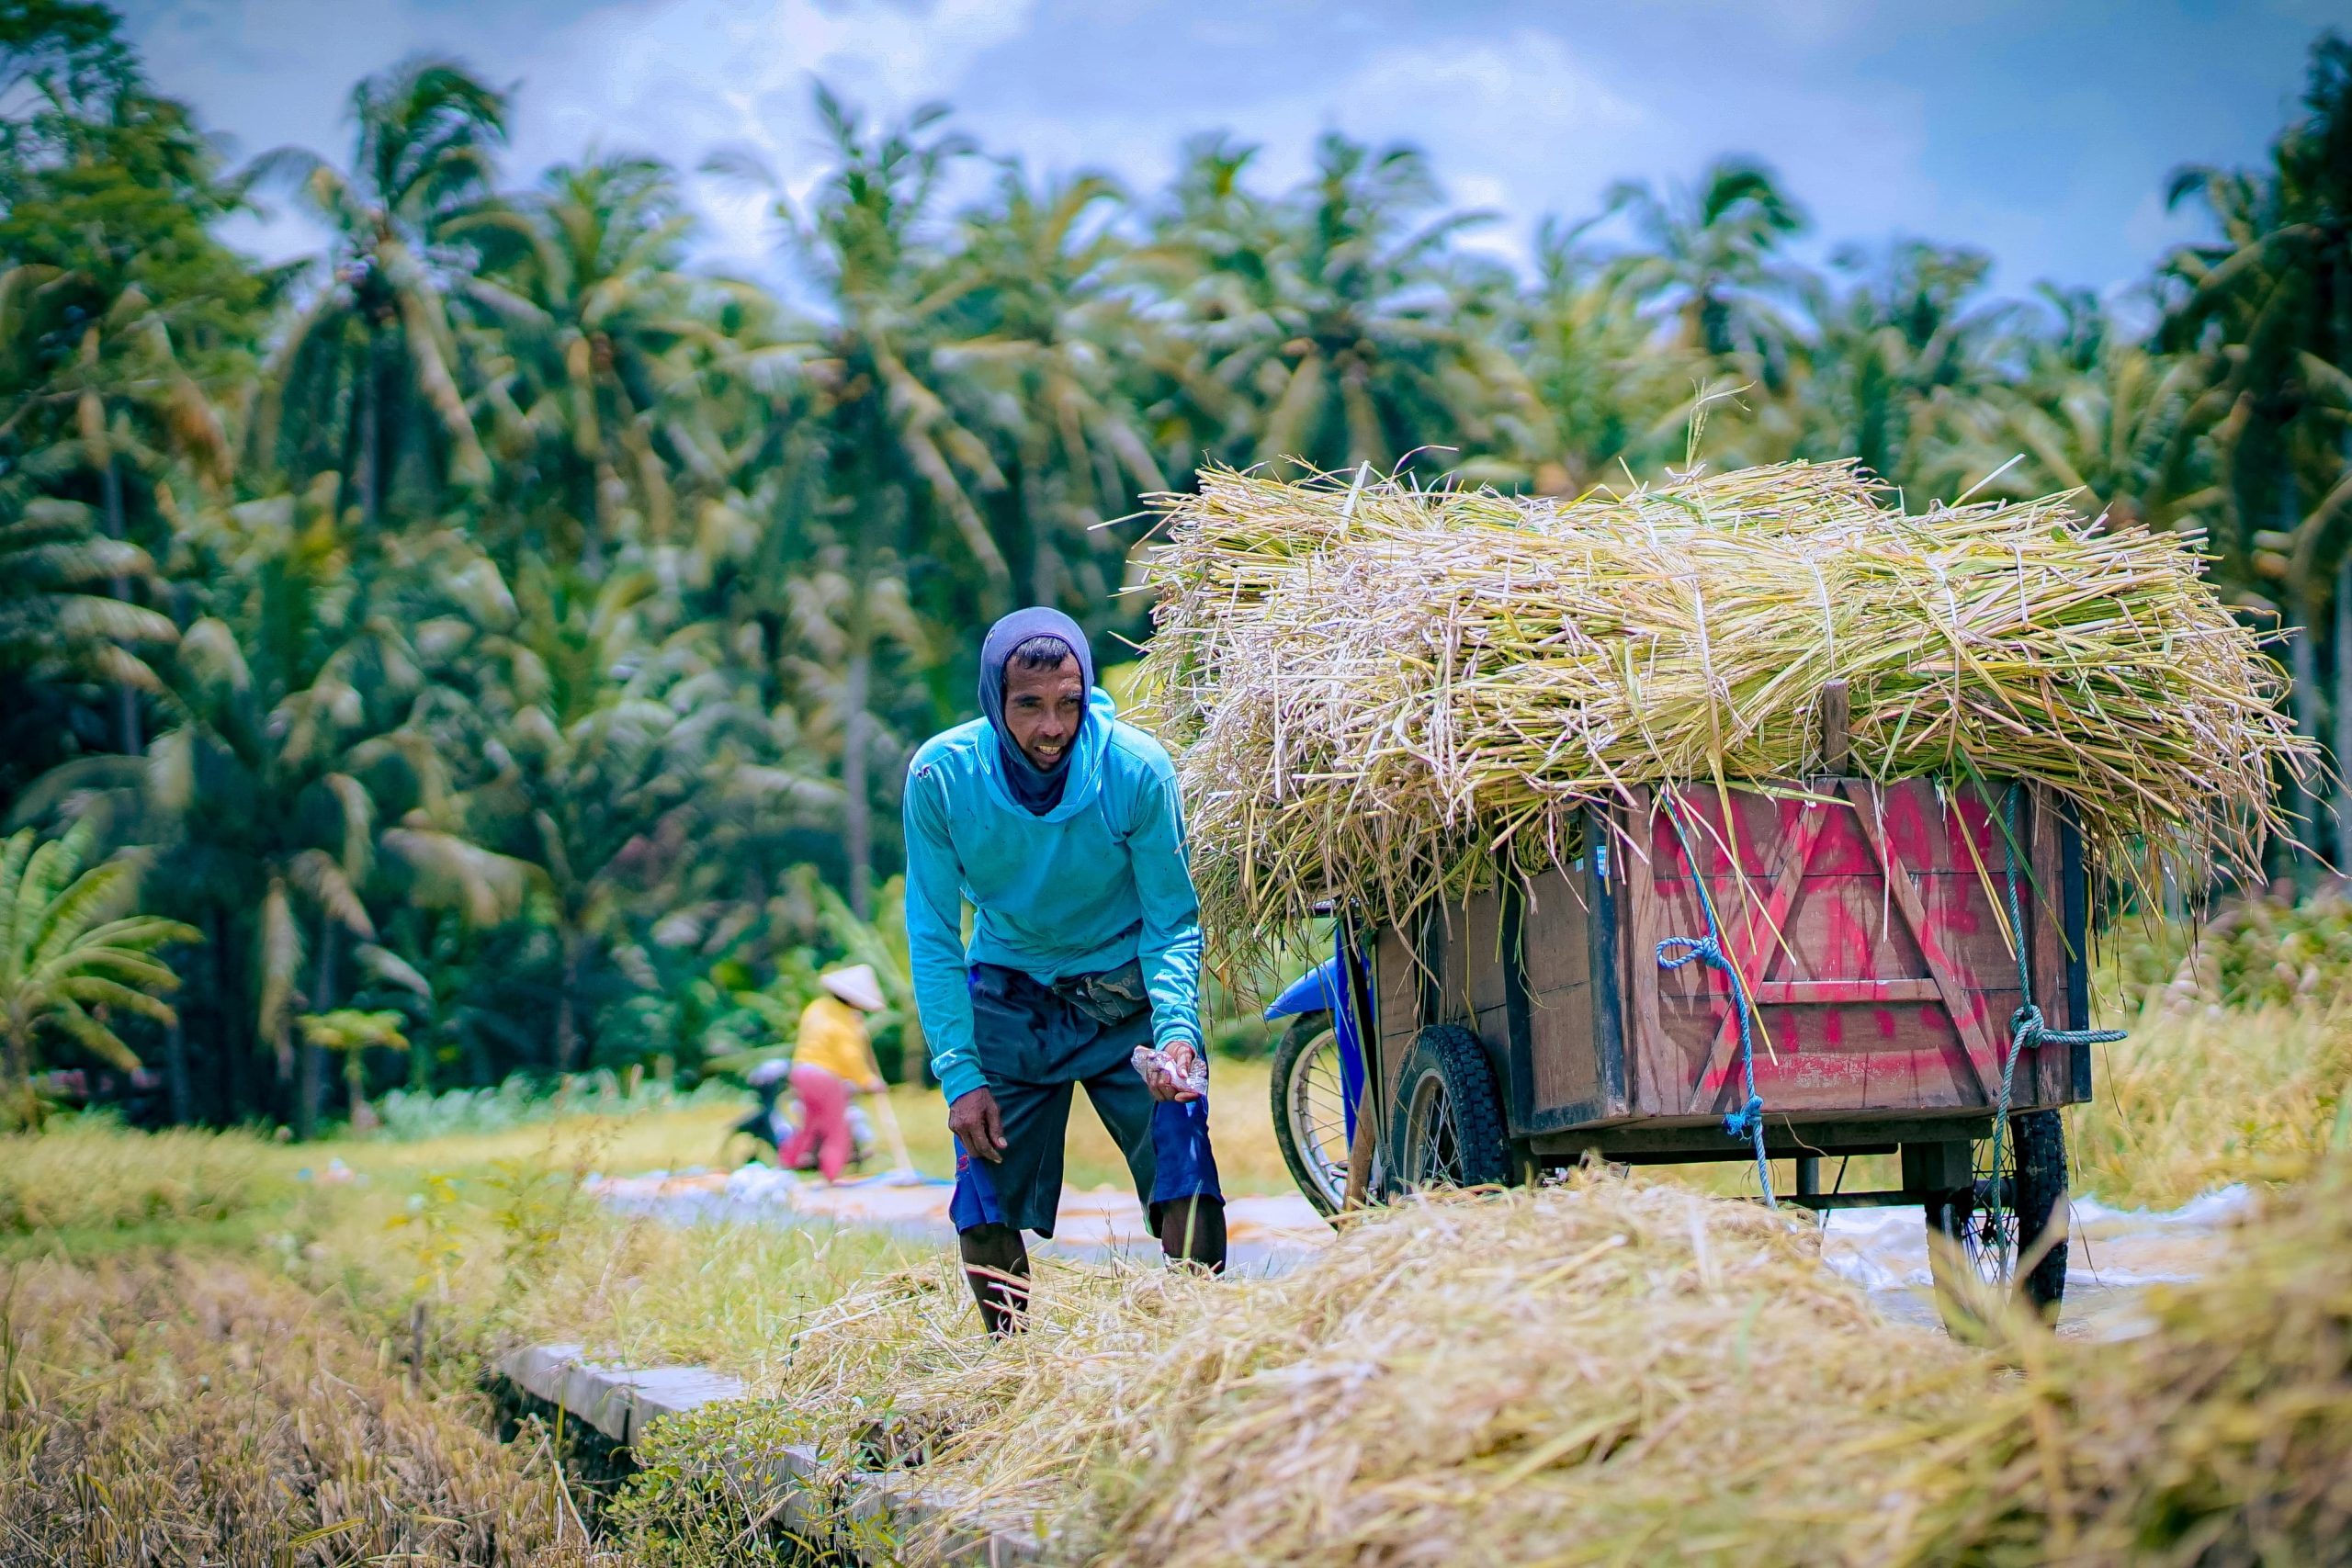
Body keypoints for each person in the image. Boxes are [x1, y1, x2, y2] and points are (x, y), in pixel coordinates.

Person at [904, 606, 1227, 1335]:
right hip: (1011, 999)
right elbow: (931, 932)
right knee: (982, 1192)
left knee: (1186, 1159)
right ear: (994, 700)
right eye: (1029, 706)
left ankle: (1195, 1348)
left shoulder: (1135, 769)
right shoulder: (941, 778)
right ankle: (1011, 1369)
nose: (1052, 728)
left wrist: (1177, 1034)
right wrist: (961, 1075)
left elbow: (1172, 918)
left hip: (1125, 998)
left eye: (1068, 705)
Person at [778, 964, 888, 1183]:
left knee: (809, 1123)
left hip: (801, 1070)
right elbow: (850, 1056)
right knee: (837, 1128)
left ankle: (785, 1165)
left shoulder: (817, 1007)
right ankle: (831, 1174)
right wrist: (869, 1081)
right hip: (826, 1076)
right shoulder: (847, 1021)